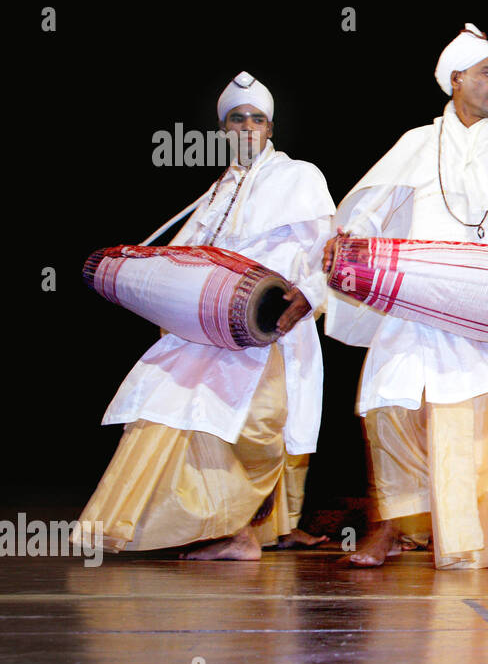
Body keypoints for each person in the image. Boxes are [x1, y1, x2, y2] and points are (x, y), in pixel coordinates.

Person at [325, 23, 488, 569]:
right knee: (391, 405)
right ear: (455, 79)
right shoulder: (417, 143)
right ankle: (392, 526)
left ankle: (486, 529)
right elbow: (372, 209)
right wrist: (352, 241)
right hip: (425, 296)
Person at [79, 71, 335, 559]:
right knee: (166, 410)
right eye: (236, 119)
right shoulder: (216, 192)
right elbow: (185, 261)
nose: (246, 127)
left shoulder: (298, 176)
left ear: (271, 128)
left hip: (269, 327)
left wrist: (311, 294)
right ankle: (201, 530)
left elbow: (325, 250)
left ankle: (240, 531)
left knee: (256, 424)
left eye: (256, 119)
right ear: (223, 131)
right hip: (207, 329)